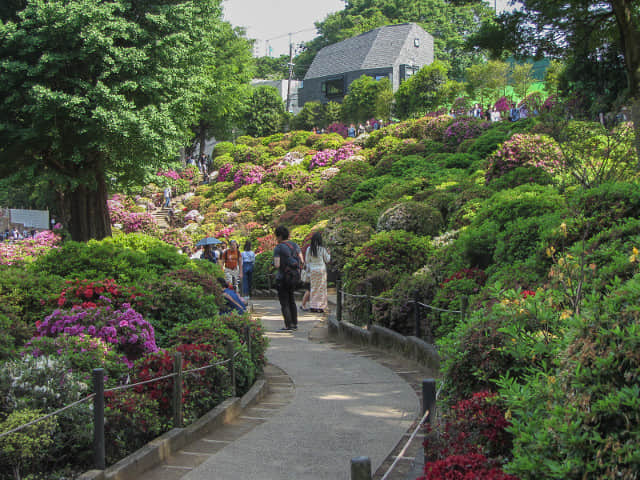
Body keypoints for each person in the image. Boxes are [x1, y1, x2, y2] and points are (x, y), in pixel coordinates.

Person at [273, 225, 303, 331]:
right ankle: (294, 323)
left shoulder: (278, 247)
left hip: (282, 277)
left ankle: (289, 325)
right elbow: (301, 260)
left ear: (280, 236)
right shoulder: (295, 245)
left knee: (284, 302)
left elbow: (277, 265)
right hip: (294, 276)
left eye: (276, 236)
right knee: (292, 300)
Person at [304, 232, 331, 313]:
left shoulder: (309, 249)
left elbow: (307, 261)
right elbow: (327, 260)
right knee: (322, 288)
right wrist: (329, 253)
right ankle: (321, 306)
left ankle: (313, 306)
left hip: (313, 270)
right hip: (321, 270)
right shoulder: (322, 249)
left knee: (314, 288)